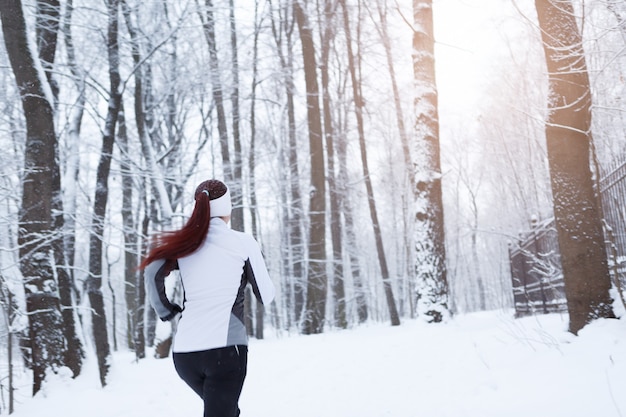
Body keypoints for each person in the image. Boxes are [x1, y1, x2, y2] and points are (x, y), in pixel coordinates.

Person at [140, 179, 275, 417]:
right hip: (224, 353)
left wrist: (166, 311)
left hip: (185, 355)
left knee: (228, 411)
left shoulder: (186, 245)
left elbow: (152, 272)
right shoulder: (242, 243)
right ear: (227, 208)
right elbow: (266, 295)